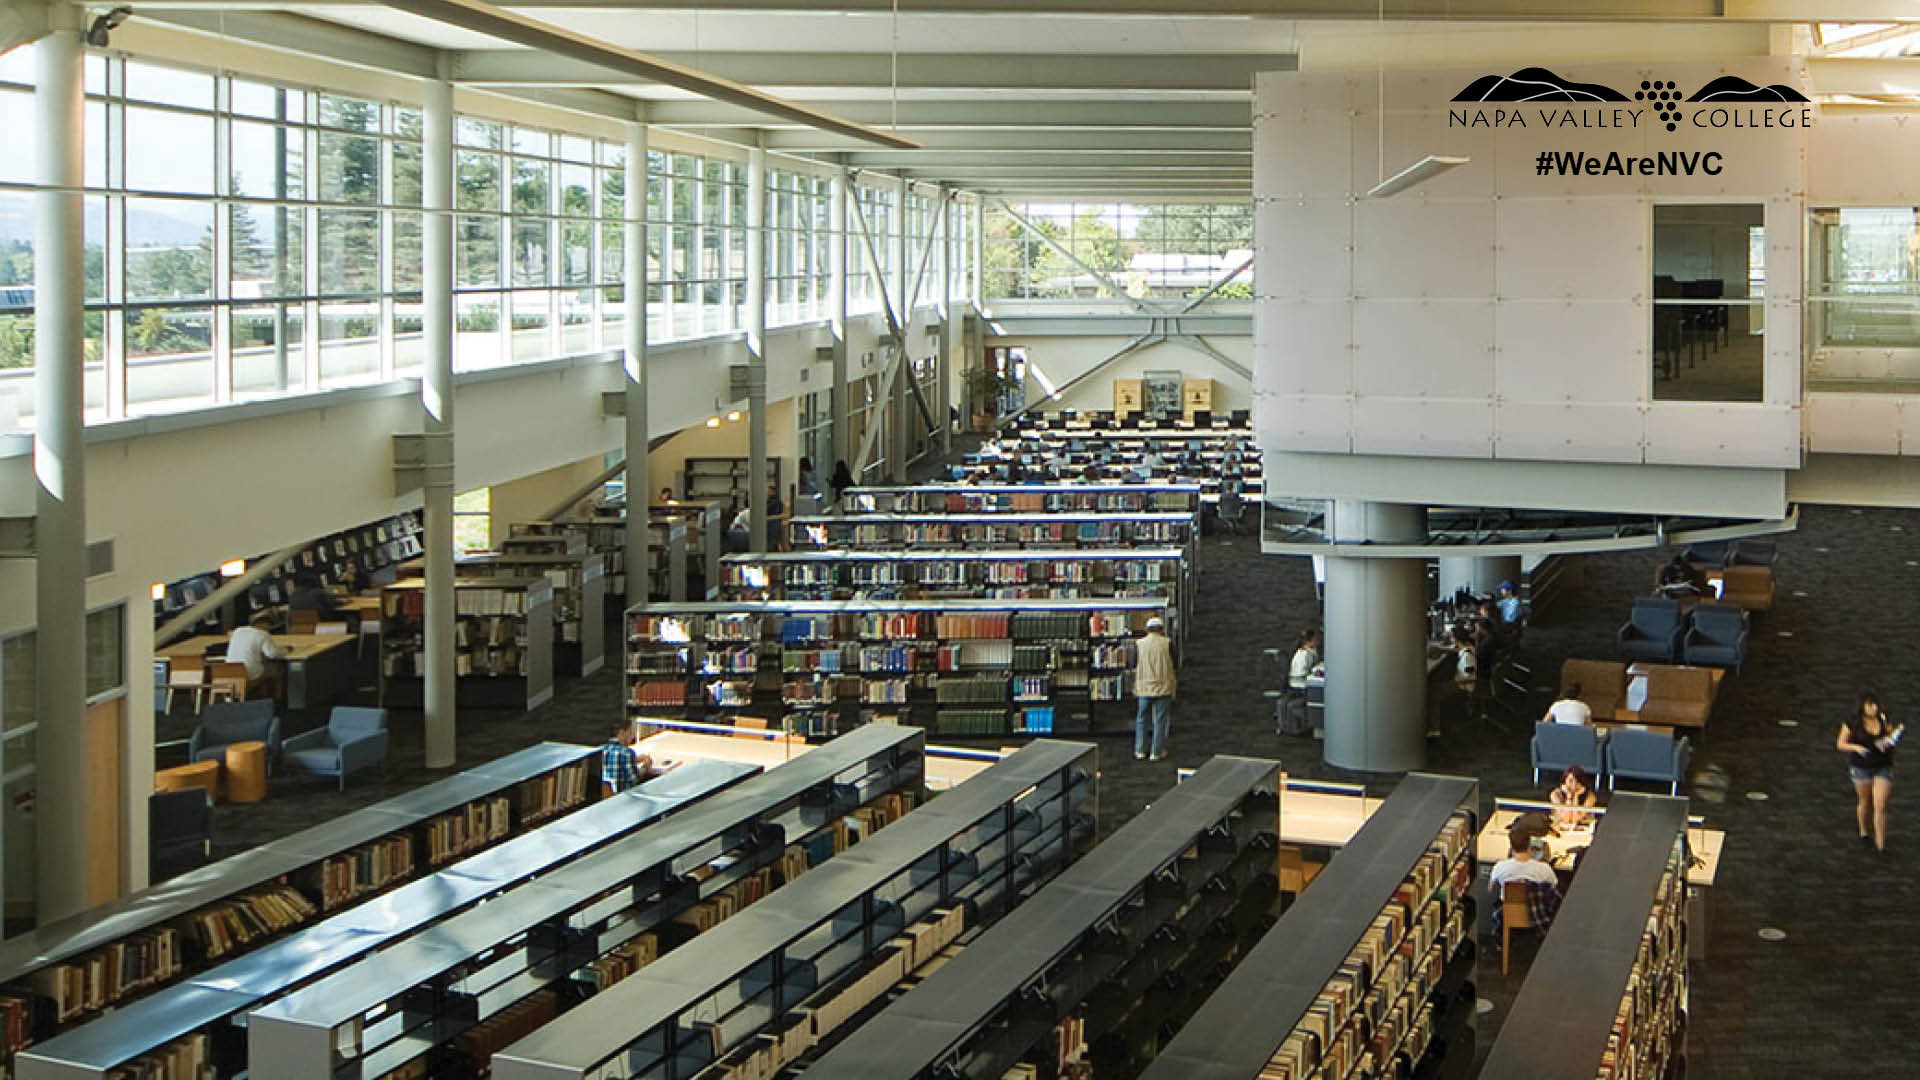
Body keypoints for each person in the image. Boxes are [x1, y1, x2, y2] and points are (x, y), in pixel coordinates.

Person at [1838, 690, 1902, 853]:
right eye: (1870, 705)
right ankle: (1864, 830)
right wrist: (1855, 747)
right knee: (1865, 801)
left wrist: (1891, 739)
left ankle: (1881, 845)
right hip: (1861, 768)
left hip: (1883, 765)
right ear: (1863, 707)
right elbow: (1840, 744)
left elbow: (1889, 735)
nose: (1874, 708)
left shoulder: (1883, 718)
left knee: (1880, 805)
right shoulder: (1853, 723)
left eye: (1875, 705)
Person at [1132, 616, 1176, 762]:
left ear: (1147, 629)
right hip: (1163, 686)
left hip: (1144, 687)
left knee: (1141, 719)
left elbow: (1133, 662)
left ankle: (1140, 750)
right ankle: (1156, 752)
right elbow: (1174, 661)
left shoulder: (1139, 644)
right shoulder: (1167, 643)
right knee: (1160, 719)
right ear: (1161, 629)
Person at [225, 615, 287, 698]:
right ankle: (276, 699)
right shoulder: (263, 634)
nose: (269, 629)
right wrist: (285, 650)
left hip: (230, 673)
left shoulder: (237, 631)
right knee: (278, 670)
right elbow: (272, 654)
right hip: (250, 674)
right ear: (264, 624)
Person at [1489, 833, 1560, 896]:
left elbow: (1491, 889)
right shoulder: (1544, 869)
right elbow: (1555, 889)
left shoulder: (1500, 867)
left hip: (1508, 910)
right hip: (1536, 909)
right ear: (1529, 846)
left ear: (1511, 847)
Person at [600, 721, 653, 795]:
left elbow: (617, 760)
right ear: (622, 733)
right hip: (625, 797)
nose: (632, 736)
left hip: (610, 797)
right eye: (630, 733)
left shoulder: (604, 749)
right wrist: (645, 766)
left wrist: (635, 759)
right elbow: (634, 780)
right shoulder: (627, 752)